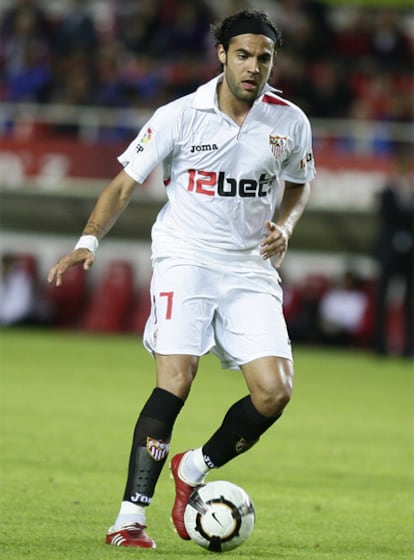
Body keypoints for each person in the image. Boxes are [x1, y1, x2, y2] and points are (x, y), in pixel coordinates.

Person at [48, 8, 315, 549]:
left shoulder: (290, 122)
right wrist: (87, 240)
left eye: (264, 58)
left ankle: (193, 467)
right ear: (222, 55)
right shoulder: (179, 115)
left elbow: (298, 183)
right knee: (176, 378)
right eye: (243, 54)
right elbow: (124, 184)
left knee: (274, 393)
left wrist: (285, 226)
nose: (253, 66)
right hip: (185, 257)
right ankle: (129, 518)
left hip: (249, 266)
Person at [372, 147, 414, 357]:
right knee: (382, 299)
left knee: (410, 302)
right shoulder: (388, 191)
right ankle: (379, 344)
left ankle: (409, 347)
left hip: (410, 255)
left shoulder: (411, 191)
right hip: (389, 252)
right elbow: (385, 219)